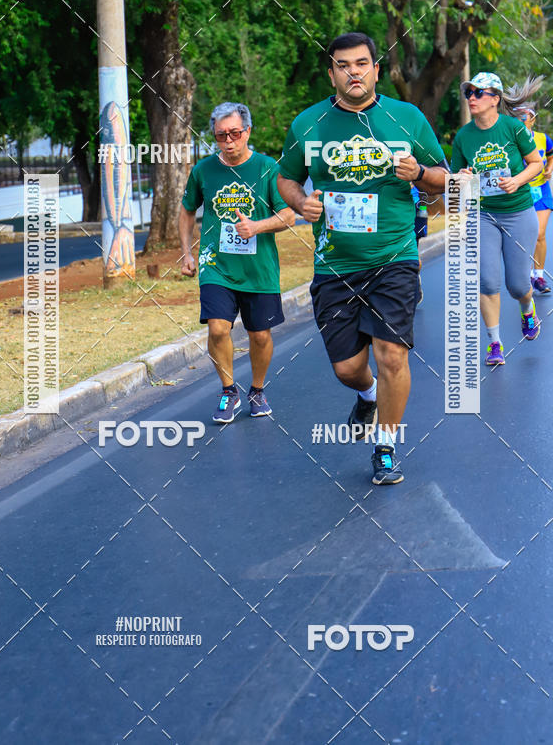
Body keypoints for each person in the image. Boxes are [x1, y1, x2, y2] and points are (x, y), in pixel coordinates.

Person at [277, 32, 447, 485]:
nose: (353, 72)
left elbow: (444, 180)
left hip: (394, 256)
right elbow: (286, 179)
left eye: (362, 63)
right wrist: (300, 204)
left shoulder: (406, 117)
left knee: (392, 355)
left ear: (376, 69)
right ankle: (367, 394)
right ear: (331, 72)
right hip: (335, 265)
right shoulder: (308, 124)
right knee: (348, 367)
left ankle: (386, 445)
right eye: (343, 65)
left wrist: (421, 173)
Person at [179, 102, 294, 423]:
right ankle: (229, 390)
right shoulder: (203, 170)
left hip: (259, 268)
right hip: (216, 265)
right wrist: (187, 253)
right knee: (218, 328)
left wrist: (256, 226)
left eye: (234, 134)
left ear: (247, 132)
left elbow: (288, 215)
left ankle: (256, 390)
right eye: (220, 136)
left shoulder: (268, 167)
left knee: (260, 335)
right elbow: (187, 209)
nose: (228, 142)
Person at [451, 72, 544, 366]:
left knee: (518, 285)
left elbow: (536, 163)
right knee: (487, 281)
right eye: (469, 93)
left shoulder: (513, 128)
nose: (473, 98)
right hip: (484, 215)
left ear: (495, 99)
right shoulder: (463, 137)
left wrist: (516, 181)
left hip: (518, 211)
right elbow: (455, 182)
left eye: (479, 93)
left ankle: (527, 309)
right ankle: (494, 343)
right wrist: (462, 179)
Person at [507, 82, 553, 295]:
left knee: (540, 234)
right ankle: (525, 276)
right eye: (517, 117)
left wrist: (549, 168)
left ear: (533, 119)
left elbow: (550, 155)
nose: (521, 121)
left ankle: (539, 276)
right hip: (520, 193)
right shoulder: (512, 142)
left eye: (524, 117)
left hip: (541, 191)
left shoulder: (544, 139)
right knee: (524, 237)